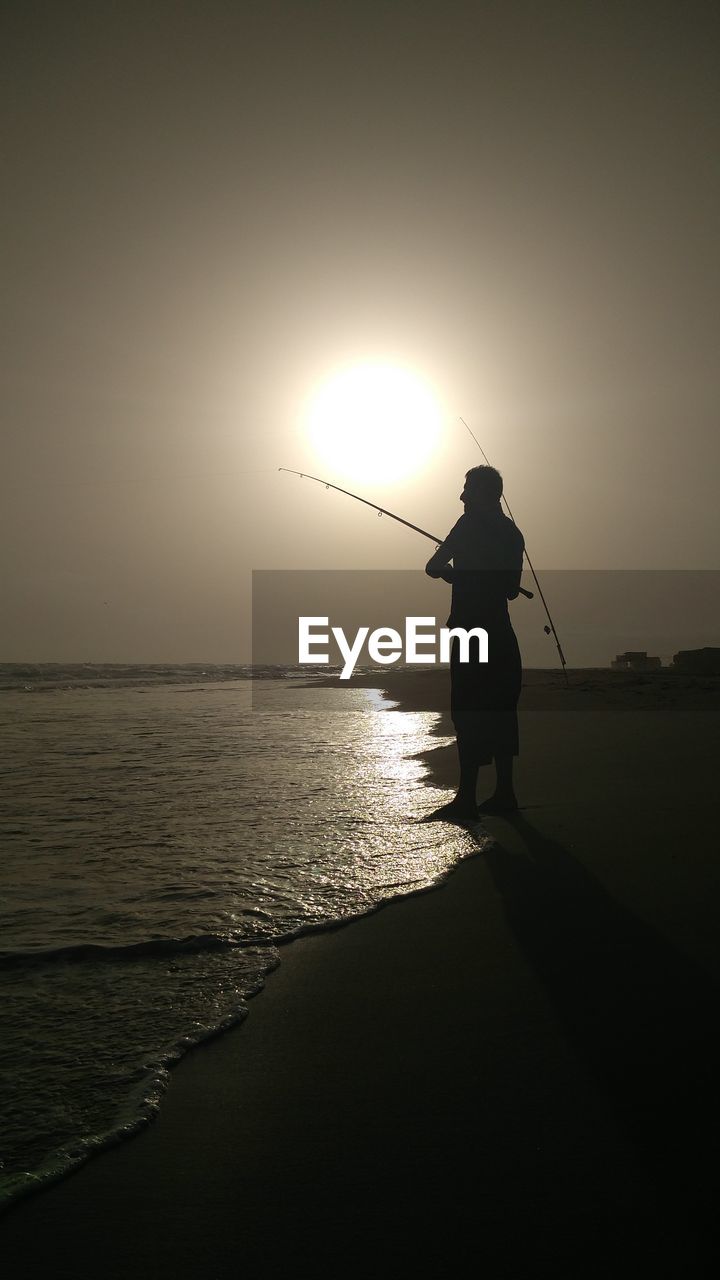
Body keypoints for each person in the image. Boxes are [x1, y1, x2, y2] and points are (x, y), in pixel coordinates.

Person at [424, 465, 524, 820]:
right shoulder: (513, 533)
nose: (461, 496)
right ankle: (504, 793)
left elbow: (434, 565)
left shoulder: (466, 525)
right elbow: (511, 590)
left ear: (481, 493)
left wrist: (453, 574)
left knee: (468, 711)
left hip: (471, 631)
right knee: (500, 711)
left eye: (467, 489)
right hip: (501, 632)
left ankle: (466, 799)